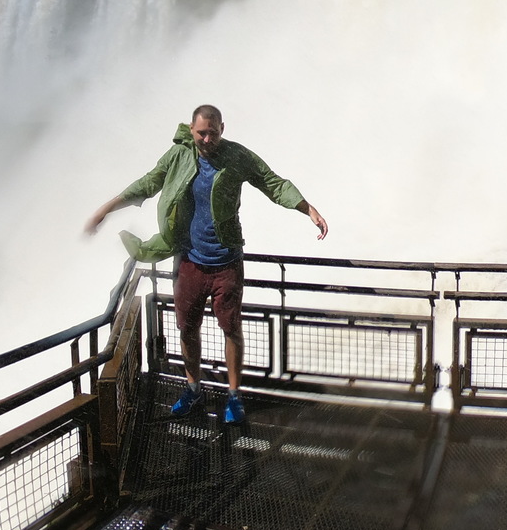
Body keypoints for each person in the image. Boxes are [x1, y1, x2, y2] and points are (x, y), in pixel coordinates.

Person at [85, 104, 327, 424]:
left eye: (213, 132)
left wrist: (306, 208)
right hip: (190, 261)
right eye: (201, 133)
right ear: (191, 128)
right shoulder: (179, 156)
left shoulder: (237, 157)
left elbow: (272, 182)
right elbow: (148, 182)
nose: (207, 139)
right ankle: (194, 388)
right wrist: (107, 207)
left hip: (226, 260)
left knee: (231, 329)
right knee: (187, 329)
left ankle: (234, 396)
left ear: (222, 129)